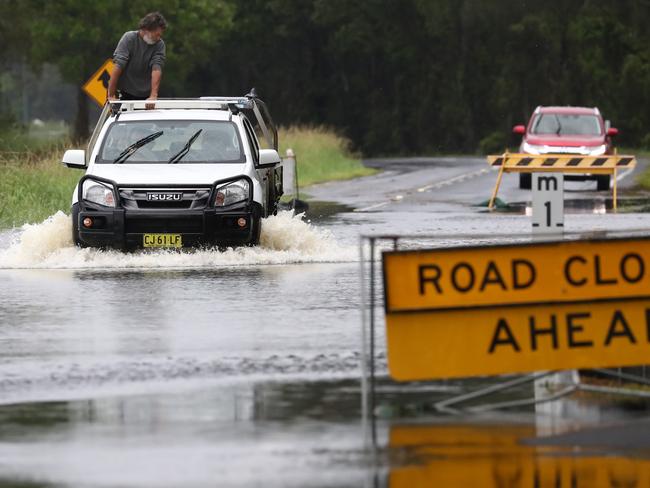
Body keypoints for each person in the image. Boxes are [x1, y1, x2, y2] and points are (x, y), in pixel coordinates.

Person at [107, 12, 167, 107]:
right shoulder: (129, 38)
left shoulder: (159, 45)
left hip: (146, 96)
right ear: (146, 29)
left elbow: (156, 68)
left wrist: (153, 96)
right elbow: (119, 65)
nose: (159, 38)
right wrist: (111, 95)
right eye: (157, 34)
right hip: (125, 92)